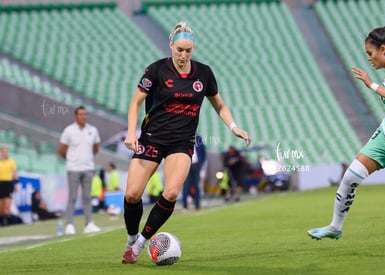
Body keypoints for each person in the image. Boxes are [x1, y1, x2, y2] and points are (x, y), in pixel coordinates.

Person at [121, 21, 250, 264]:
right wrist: (131, 133)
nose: (183, 55)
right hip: (151, 138)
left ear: (194, 48)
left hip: (181, 142)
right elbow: (135, 103)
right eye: (179, 49)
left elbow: (219, 104)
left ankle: (139, 245)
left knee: (170, 192)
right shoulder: (156, 70)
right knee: (132, 195)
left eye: (188, 50)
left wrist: (234, 127)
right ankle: (131, 236)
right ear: (171, 45)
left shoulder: (204, 73)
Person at [308, 25, 385, 240]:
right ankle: (335, 227)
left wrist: (371, 85)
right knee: (350, 176)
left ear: (383, 49)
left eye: (370, 52)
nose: (368, 58)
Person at [59, 106, 101, 235]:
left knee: (87, 197)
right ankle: (69, 224)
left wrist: (86, 158)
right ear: (75, 116)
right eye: (81, 114)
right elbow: (62, 150)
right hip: (73, 168)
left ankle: (89, 223)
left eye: (85, 114)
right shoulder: (68, 131)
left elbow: (95, 148)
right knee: (72, 197)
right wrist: (73, 160)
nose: (84, 116)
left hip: (88, 167)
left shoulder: (92, 130)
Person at [182, 134, 206, 212]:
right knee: (185, 186)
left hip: (196, 165)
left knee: (196, 186)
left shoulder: (198, 138)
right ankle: (185, 207)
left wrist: (201, 164)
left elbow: (203, 151)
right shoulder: (184, 137)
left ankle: (197, 206)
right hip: (186, 165)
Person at [0, 146, 18, 225]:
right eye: (3, 151)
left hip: (8, 184)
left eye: (6, 151)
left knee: (7, 206)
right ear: (1, 152)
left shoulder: (11, 162)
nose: (5, 153)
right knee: (1, 207)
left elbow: (15, 174)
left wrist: (17, 184)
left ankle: (6, 222)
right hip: (0, 184)